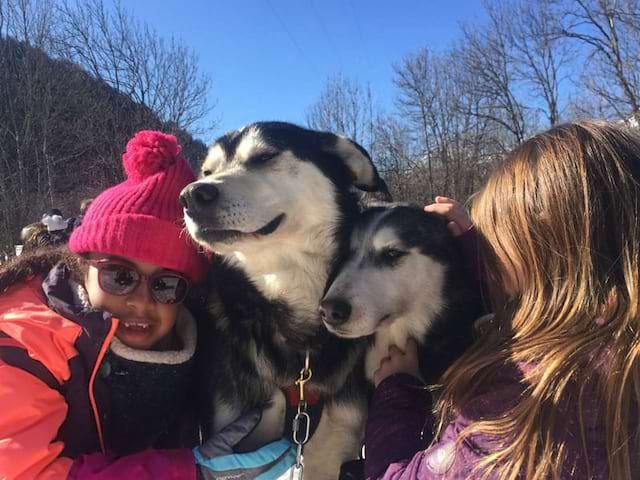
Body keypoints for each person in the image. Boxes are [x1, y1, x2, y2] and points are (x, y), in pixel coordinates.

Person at [0, 130, 294, 479]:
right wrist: (188, 473)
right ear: (82, 267)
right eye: (119, 276)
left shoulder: (195, 331)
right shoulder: (24, 344)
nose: (141, 301)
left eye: (166, 284)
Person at [365, 121, 640, 479]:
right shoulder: (618, 346)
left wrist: (397, 392)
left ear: (540, 247)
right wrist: (472, 252)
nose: (493, 248)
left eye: (500, 235)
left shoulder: (541, 395)